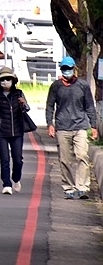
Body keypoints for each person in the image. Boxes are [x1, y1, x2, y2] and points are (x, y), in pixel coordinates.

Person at [45, 56, 99, 199]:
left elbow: (89, 106)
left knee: (82, 156)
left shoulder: (83, 85)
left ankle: (82, 187)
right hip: (62, 127)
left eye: (69, 68)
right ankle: (68, 187)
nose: (66, 71)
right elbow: (50, 106)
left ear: (74, 69)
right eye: (64, 69)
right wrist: (49, 124)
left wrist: (93, 126)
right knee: (65, 159)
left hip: (80, 126)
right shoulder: (56, 86)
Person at [0, 67, 30, 195]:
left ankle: (16, 179)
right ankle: (6, 184)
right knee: (4, 159)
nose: (5, 82)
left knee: (18, 159)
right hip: (1, 132)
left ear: (13, 81)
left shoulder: (19, 93)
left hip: (17, 131)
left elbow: (27, 109)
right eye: (2, 80)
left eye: (8, 79)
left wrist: (23, 103)